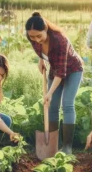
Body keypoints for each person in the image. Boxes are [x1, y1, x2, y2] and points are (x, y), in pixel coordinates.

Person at [26, 12, 83, 154]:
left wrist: (49, 93)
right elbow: (40, 50)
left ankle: (67, 146)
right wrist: (41, 59)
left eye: (39, 36)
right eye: (32, 36)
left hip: (73, 70)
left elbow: (61, 73)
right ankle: (52, 145)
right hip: (55, 69)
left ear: (46, 30)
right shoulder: (32, 38)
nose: (35, 39)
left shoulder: (60, 41)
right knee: (52, 107)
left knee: (67, 104)